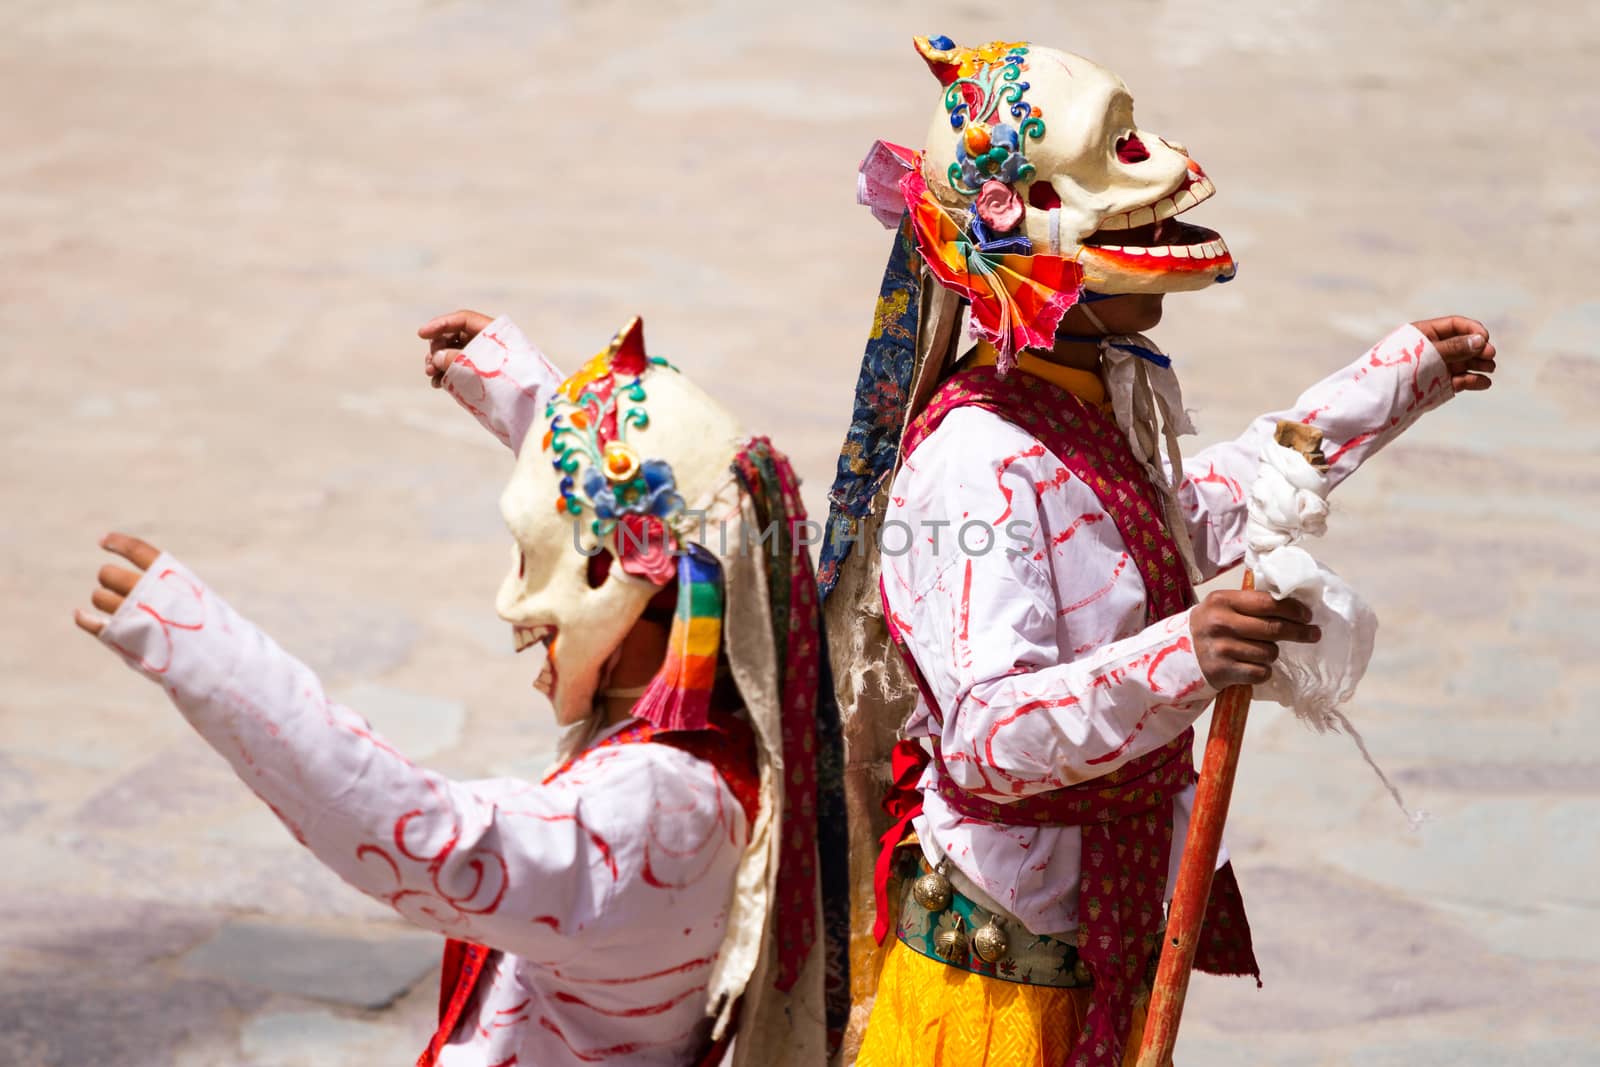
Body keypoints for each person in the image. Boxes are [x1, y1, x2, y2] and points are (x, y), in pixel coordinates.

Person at [817, 36, 1499, 1066]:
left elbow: (1174, 516)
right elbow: (989, 738)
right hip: (998, 1003)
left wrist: (1385, 385)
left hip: (1103, 930)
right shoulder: (975, 463)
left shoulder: (1089, 399)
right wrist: (1189, 651)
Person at [75, 310, 846, 1066]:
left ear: (618, 577)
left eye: (530, 561)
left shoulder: (649, 811)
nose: (513, 604)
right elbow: (646, 500)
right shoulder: (746, 696)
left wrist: (205, 652)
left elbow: (421, 836)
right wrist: (515, 387)